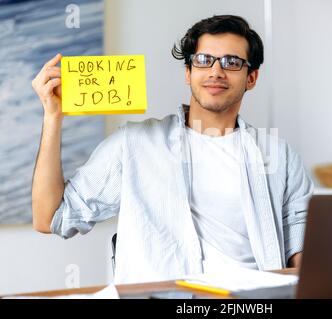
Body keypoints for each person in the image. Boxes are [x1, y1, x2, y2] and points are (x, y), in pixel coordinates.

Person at [31, 15, 314, 284]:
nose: (216, 71)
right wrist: (52, 117)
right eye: (204, 60)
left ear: (251, 77)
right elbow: (51, 217)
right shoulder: (133, 144)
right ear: (188, 72)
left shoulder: (279, 155)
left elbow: (300, 238)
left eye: (231, 62)